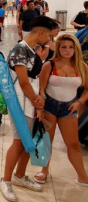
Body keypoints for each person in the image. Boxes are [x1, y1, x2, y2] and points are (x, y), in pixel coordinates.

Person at [0, 16, 58, 202]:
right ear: (41, 32)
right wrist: (36, 101)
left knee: (27, 143)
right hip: (20, 104)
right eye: (48, 36)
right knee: (18, 142)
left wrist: (37, 101)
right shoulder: (19, 50)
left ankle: (19, 176)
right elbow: (23, 81)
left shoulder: (31, 50)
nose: (49, 40)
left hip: (30, 104)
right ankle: (6, 180)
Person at [33, 34, 88, 187]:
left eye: (71, 47)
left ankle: (83, 176)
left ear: (76, 49)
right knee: (46, 142)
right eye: (63, 46)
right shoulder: (49, 65)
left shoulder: (82, 67)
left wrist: (79, 102)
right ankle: (44, 170)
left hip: (69, 109)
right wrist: (40, 108)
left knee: (73, 144)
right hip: (49, 107)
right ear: (58, 48)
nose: (67, 50)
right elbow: (41, 89)